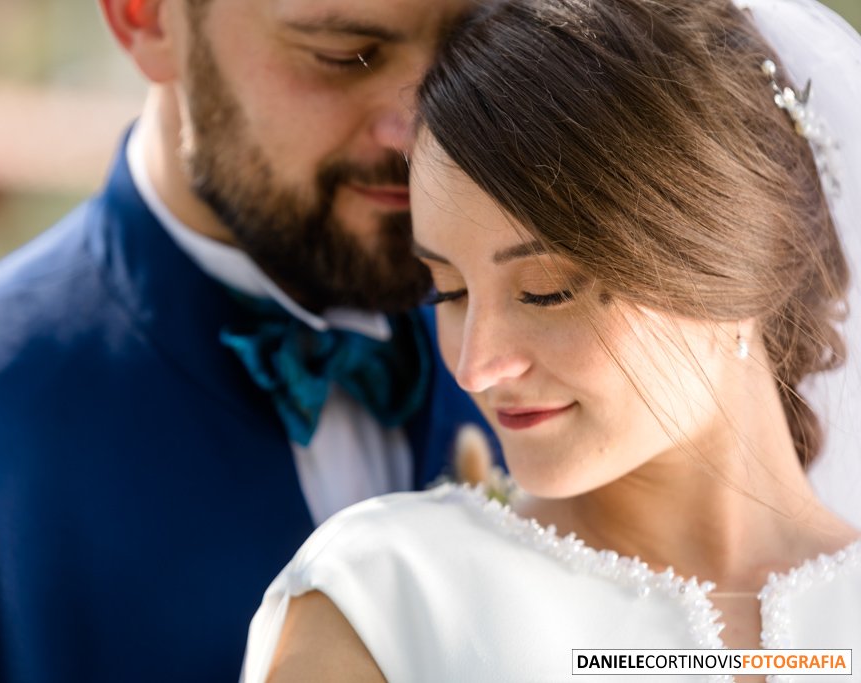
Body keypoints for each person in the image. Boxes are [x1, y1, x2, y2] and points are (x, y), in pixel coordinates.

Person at [0, 0, 495, 680]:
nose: (421, 131)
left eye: (471, 51)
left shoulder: (589, 367)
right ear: (144, 19)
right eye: (344, 54)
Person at [241, 0, 861, 680]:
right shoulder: (385, 598)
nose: (477, 367)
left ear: (738, 261)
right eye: (447, 291)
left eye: (545, 291)